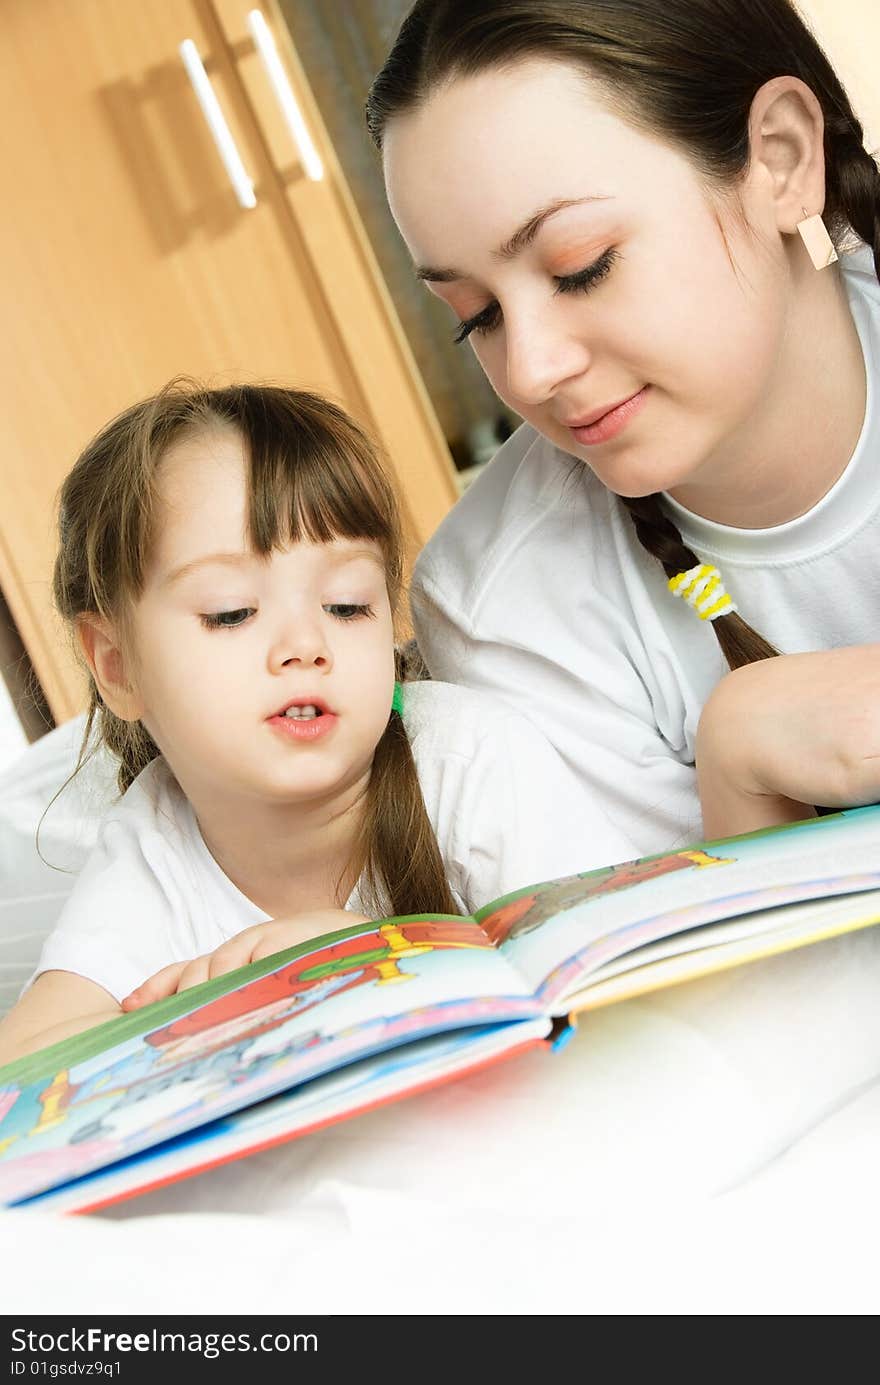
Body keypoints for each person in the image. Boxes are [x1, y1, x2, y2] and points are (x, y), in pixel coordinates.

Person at [366, 0, 880, 854]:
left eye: (580, 267)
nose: (529, 371)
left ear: (781, 160)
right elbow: (702, 984)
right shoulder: (504, 607)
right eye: (477, 315)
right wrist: (737, 755)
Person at [0, 382, 635, 1067]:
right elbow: (26, 1064)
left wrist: (379, 959)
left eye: (347, 604)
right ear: (118, 666)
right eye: (232, 612)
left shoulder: (465, 756)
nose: (306, 644)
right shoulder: (154, 841)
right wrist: (182, 1023)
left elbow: (629, 972)